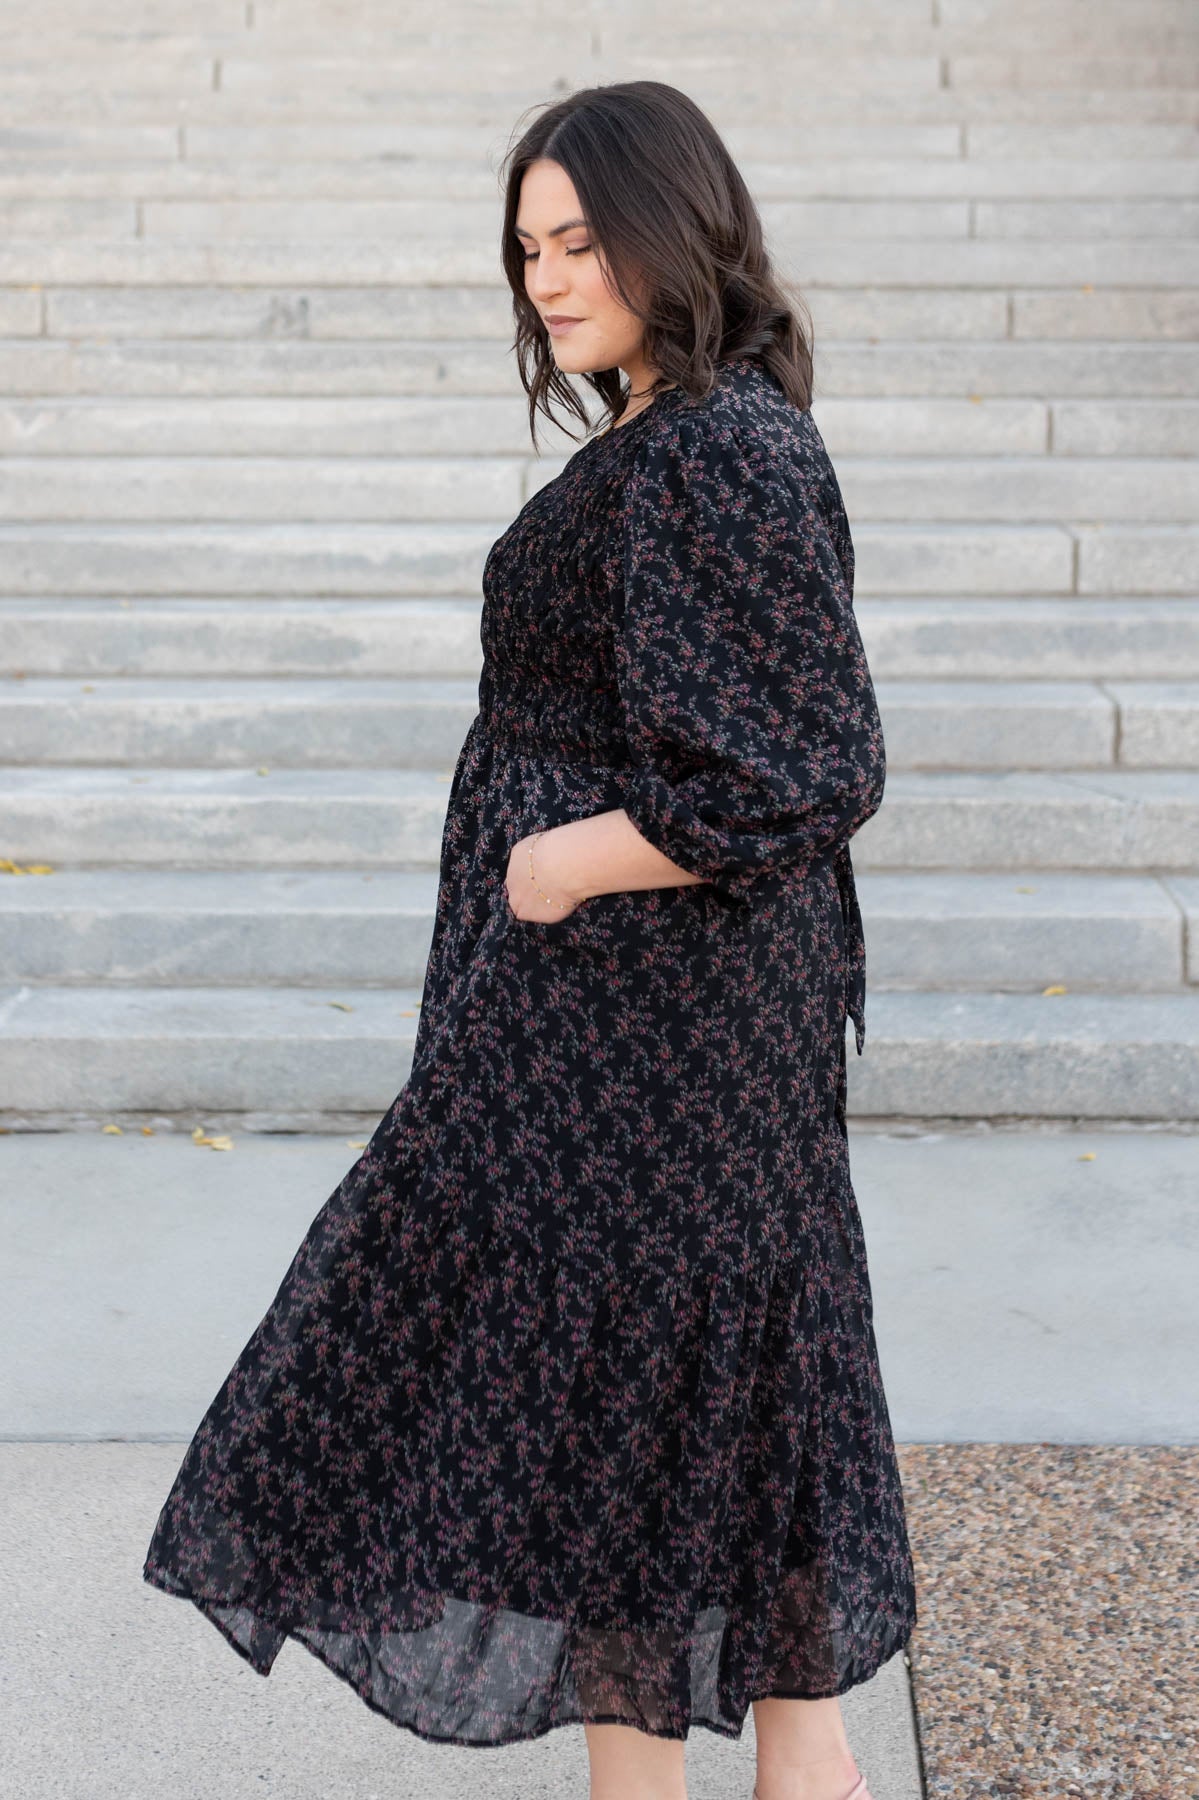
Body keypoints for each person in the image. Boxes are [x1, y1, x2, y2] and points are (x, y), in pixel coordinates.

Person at [143, 79, 917, 1800]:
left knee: (619, 1395)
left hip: (646, 1036)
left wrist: (570, 858)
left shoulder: (719, 449)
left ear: (671, 228)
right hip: (643, 1033)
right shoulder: (690, 436)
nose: (547, 279)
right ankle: (805, 1765)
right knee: (687, 1390)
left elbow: (810, 764)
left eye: (579, 239)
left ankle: (730, 1777)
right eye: (525, 248)